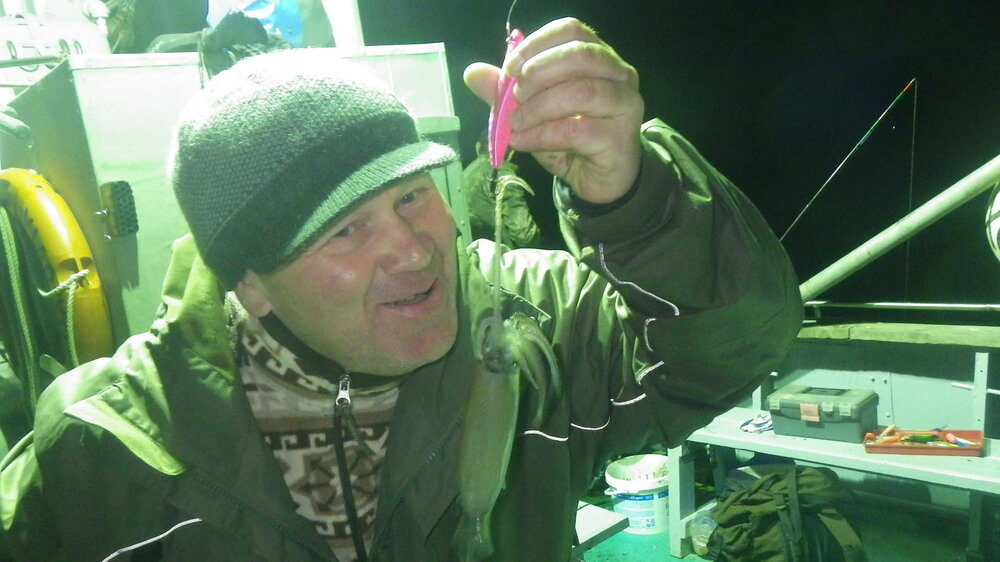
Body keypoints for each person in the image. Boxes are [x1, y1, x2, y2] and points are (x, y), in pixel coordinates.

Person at [0, 17, 802, 561]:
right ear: (251, 283)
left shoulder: (537, 318)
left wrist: (635, 200)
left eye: (413, 195)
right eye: (345, 230)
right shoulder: (102, 452)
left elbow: (732, 350)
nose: (414, 251)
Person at [461, 138, 542, 248]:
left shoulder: (464, 174)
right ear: (511, 150)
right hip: (498, 255)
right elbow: (524, 235)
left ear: (478, 147)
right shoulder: (503, 173)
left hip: (475, 253)